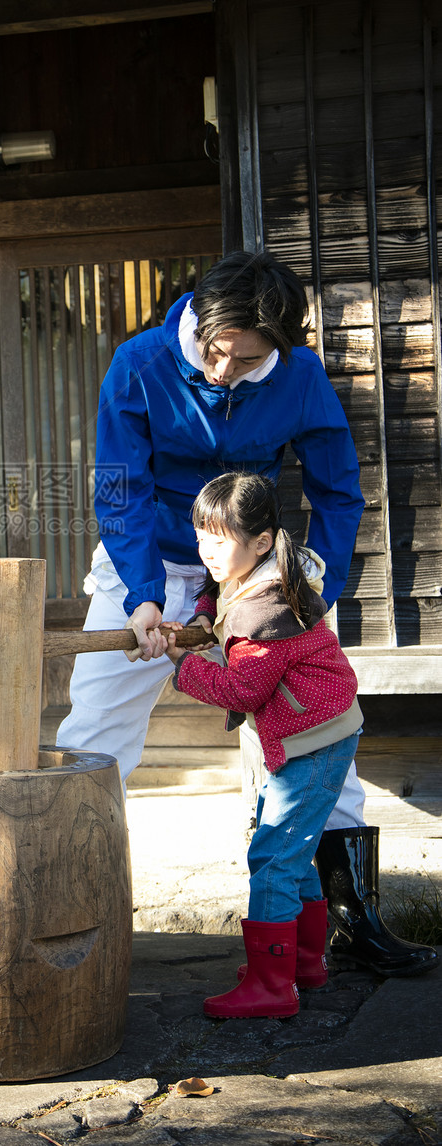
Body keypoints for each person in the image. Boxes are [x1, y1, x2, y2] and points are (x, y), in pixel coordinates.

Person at [56, 250, 437, 978]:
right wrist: (141, 596)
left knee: (316, 725)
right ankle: (72, 909)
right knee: (96, 732)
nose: (225, 372)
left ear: (279, 349)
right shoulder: (139, 363)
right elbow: (120, 491)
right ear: (198, 321)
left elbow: (338, 487)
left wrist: (311, 578)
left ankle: (354, 919)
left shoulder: (299, 376)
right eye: (216, 353)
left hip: (256, 570)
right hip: (151, 557)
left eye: (248, 360)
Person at [160, 472, 364, 1016]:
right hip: (310, 730)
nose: (205, 552)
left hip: (313, 741)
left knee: (273, 854)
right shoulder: (261, 574)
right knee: (293, 853)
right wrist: (202, 618)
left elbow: (242, 688)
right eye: (200, 535)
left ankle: (274, 987)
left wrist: (181, 663)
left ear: (262, 541)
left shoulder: (263, 613)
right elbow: (215, 591)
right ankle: (301, 963)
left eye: (218, 540)